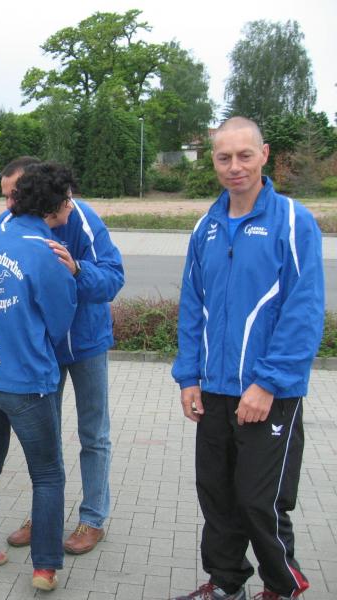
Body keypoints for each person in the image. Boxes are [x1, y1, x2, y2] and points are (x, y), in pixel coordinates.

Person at [171, 117, 324, 600]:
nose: (234, 166)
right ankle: (226, 583)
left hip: (267, 393)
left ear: (264, 155)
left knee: (260, 501)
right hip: (214, 389)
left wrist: (268, 382)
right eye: (224, 157)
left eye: (244, 155)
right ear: (214, 162)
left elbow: (303, 310)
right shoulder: (207, 227)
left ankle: (282, 587)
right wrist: (188, 377)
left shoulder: (293, 221)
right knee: (217, 497)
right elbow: (192, 306)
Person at [0, 162, 77, 592]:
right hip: (25, 381)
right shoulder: (48, 253)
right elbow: (60, 321)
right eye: (68, 199)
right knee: (48, 474)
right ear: (54, 205)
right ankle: (45, 567)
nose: (71, 206)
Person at [0, 157, 125, 555]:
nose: (8, 205)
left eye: (13, 195)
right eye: (5, 197)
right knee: (44, 436)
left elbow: (114, 277)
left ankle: (93, 519)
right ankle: (44, 515)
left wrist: (77, 271)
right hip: (43, 351)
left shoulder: (82, 218)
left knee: (94, 434)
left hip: (87, 345)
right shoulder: (11, 225)